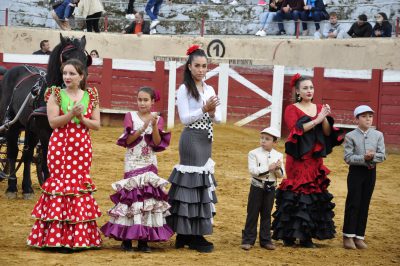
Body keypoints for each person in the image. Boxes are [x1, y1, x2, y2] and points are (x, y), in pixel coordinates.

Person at [26, 59, 102, 252]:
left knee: (78, 183)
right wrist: (71, 115)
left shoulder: (90, 96)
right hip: (60, 145)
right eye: (65, 73)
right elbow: (53, 123)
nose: (67, 77)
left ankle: (79, 238)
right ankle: (55, 238)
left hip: (81, 146)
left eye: (72, 74)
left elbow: (97, 124)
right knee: (60, 183)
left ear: (81, 76)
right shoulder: (55, 95)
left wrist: (82, 117)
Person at [271, 73, 344, 248]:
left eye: (311, 87)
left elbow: (327, 133)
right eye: (305, 88)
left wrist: (324, 116)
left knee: (312, 194)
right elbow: (297, 129)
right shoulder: (291, 108)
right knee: (296, 193)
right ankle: (289, 235)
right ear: (297, 91)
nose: (309, 90)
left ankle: (306, 236)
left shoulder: (318, 107)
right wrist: (317, 119)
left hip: (314, 158)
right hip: (297, 158)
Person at [101, 87, 173, 252]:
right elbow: (128, 141)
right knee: (131, 199)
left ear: (153, 102)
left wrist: (154, 126)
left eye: (146, 100)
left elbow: (156, 143)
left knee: (147, 200)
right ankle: (126, 238)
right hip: (133, 162)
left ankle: (143, 240)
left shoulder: (158, 119)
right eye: (139, 99)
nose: (142, 103)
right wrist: (142, 128)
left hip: (149, 163)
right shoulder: (130, 116)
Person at [166, 45, 221, 253]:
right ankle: (193, 235)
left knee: (196, 185)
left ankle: (184, 234)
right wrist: (204, 109)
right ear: (189, 67)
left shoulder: (210, 89)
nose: (201, 70)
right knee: (193, 185)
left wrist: (213, 112)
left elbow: (220, 118)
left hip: (206, 139)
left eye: (204, 66)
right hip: (191, 139)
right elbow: (185, 119)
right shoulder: (184, 89)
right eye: (197, 66)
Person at [342, 105, 386, 250]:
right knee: (353, 203)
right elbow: (348, 158)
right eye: (364, 116)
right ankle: (348, 236)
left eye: (370, 116)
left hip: (371, 172)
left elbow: (382, 155)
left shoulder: (378, 135)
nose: (368, 119)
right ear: (357, 119)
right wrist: (363, 158)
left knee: (364, 203)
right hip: (356, 173)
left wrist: (372, 157)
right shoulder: (350, 136)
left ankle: (359, 236)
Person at [240, 127, 285, 251]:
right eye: (262, 138)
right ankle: (248, 240)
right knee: (252, 213)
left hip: (270, 188)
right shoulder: (253, 153)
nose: (263, 141)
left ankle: (265, 240)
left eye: (267, 139)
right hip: (257, 187)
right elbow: (253, 171)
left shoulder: (279, 155)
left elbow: (281, 175)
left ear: (275, 142)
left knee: (266, 214)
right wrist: (268, 168)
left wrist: (277, 169)